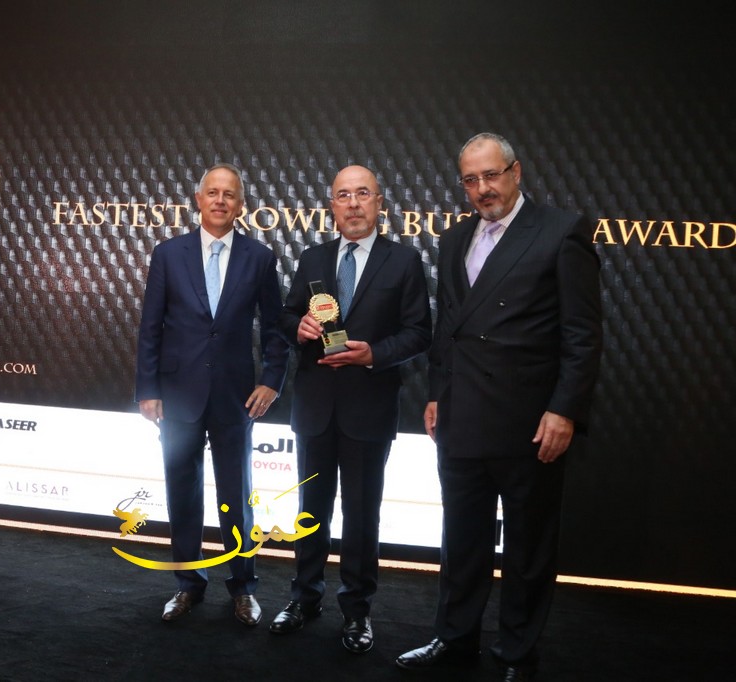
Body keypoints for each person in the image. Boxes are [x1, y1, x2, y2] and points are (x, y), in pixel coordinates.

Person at [395, 133, 602, 681]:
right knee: (462, 540)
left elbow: (582, 335)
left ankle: (517, 654)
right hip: (461, 415)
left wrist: (564, 410)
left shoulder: (561, 230)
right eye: (471, 180)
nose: (483, 188)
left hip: (529, 422)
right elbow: (449, 327)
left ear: (516, 172)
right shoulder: (454, 238)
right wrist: (437, 393)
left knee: (528, 548)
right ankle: (455, 638)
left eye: (491, 175)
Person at [268, 165, 432, 653]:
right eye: (344, 195)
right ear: (332, 206)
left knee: (361, 517)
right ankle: (304, 598)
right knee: (310, 512)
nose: (354, 203)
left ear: (379, 203)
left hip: (368, 408)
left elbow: (419, 333)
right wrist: (298, 327)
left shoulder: (404, 260)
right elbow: (285, 315)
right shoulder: (313, 257)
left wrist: (373, 353)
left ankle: (357, 611)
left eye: (363, 194)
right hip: (315, 407)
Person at [134, 162, 289, 626]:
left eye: (230, 194)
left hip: (235, 396)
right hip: (178, 394)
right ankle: (187, 585)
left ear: (241, 205)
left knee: (236, 496)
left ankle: (243, 588)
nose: (221, 200)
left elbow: (276, 329)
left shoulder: (259, 258)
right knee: (182, 492)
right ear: (198, 200)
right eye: (213, 193)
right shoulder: (168, 254)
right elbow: (150, 327)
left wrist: (272, 380)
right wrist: (148, 389)